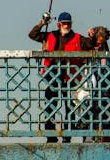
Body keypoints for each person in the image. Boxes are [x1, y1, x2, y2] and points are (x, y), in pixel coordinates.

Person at [29, 11, 96, 143]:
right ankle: (50, 135)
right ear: (59, 24)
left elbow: (90, 44)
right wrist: (42, 23)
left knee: (70, 107)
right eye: (64, 24)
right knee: (50, 105)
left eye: (68, 24)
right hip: (52, 76)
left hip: (70, 77)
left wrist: (92, 36)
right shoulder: (50, 35)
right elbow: (33, 35)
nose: (66, 26)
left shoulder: (78, 38)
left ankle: (67, 136)